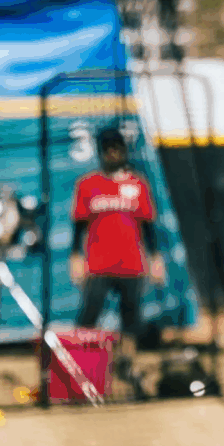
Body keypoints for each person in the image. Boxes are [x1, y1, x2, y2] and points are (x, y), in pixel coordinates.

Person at [69, 126, 165, 396]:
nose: (113, 154)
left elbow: (148, 226)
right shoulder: (88, 184)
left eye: (117, 149)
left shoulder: (138, 184)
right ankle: (80, 367)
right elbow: (78, 225)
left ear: (124, 151)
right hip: (98, 264)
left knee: (131, 318)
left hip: (131, 263)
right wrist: (75, 257)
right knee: (88, 316)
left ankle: (127, 364)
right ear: (101, 153)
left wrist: (156, 258)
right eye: (108, 149)